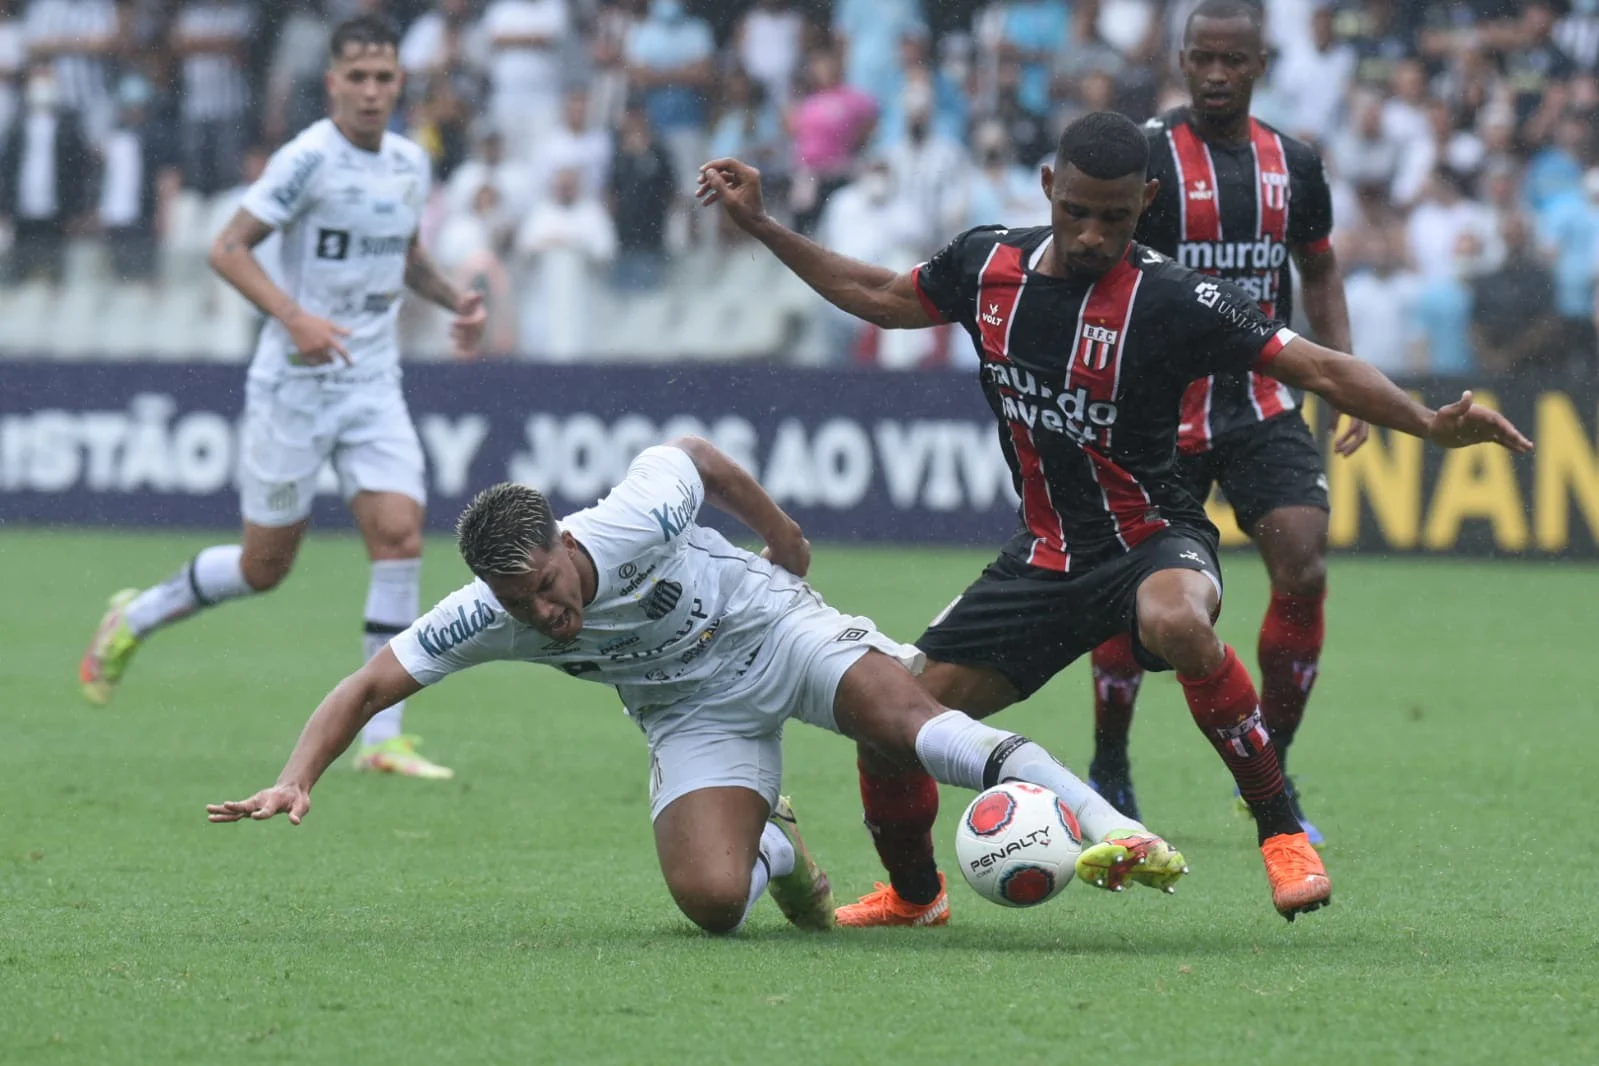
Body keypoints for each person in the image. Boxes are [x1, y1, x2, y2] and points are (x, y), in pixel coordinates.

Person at [697, 113, 1532, 925]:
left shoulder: (1176, 296)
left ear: (1146, 203)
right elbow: (879, 295)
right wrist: (765, 224)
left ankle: (1281, 834)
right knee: (890, 721)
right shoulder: (985, 264)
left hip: (1151, 539)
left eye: (1116, 216)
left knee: (1174, 617)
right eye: (1077, 212)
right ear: (1047, 186)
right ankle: (914, 897)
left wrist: (1424, 423)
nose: (1094, 234)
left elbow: (1314, 364)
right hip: (1045, 558)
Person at [206, 437, 1190, 935]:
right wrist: (298, 775)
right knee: (715, 903)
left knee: (915, 721)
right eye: (521, 604)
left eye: (546, 587)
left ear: (562, 540)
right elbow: (368, 684)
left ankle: (1115, 829)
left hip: (774, 630)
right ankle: (777, 841)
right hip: (690, 713)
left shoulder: (635, 513)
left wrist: (785, 531)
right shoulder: (486, 611)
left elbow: (699, 455)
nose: (545, 615)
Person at [78, 17, 487, 781]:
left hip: (370, 381)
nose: (371, 91)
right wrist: (294, 317)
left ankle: (382, 740)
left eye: (384, 78)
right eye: (356, 78)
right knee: (266, 567)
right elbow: (226, 248)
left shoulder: (406, 163)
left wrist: (453, 297)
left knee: (399, 536)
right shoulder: (306, 160)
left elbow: (403, 254)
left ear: (400, 83)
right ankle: (134, 616)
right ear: (333, 83)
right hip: (293, 387)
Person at [1087, 0, 1368, 843]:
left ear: (1259, 64)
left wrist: (1342, 377)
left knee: (1304, 563)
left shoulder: (1297, 164)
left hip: (1257, 401)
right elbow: (1097, 262)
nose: (1214, 74)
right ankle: (1109, 763)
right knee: (1132, 591)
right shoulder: (1143, 156)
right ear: (1180, 59)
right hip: (1153, 410)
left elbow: (1317, 273)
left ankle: (1267, 769)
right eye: (1201, 58)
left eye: (1231, 61)